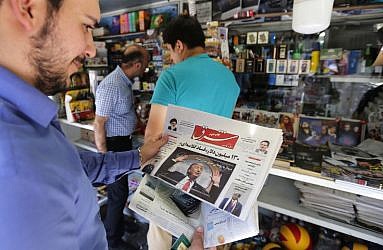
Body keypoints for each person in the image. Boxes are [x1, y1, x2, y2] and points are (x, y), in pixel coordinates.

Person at [0, 1, 169, 249]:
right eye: (86, 26)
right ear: (29, 7)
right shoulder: (16, 166)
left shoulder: (27, 121)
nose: (90, 50)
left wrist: (140, 156)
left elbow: (71, 167)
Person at [144, 15, 240, 250]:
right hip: (214, 180)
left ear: (179, 45)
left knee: (163, 239)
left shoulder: (172, 76)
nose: (172, 57)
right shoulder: (229, 77)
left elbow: (152, 136)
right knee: (204, 239)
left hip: (172, 177)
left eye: (169, 50)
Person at [93, 45, 149, 249]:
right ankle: (112, 241)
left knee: (121, 192)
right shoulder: (111, 85)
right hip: (114, 146)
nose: (146, 69)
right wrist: (105, 159)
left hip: (123, 142)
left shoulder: (123, 83)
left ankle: (118, 226)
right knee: (117, 195)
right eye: (145, 65)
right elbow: (99, 123)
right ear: (137, 65)